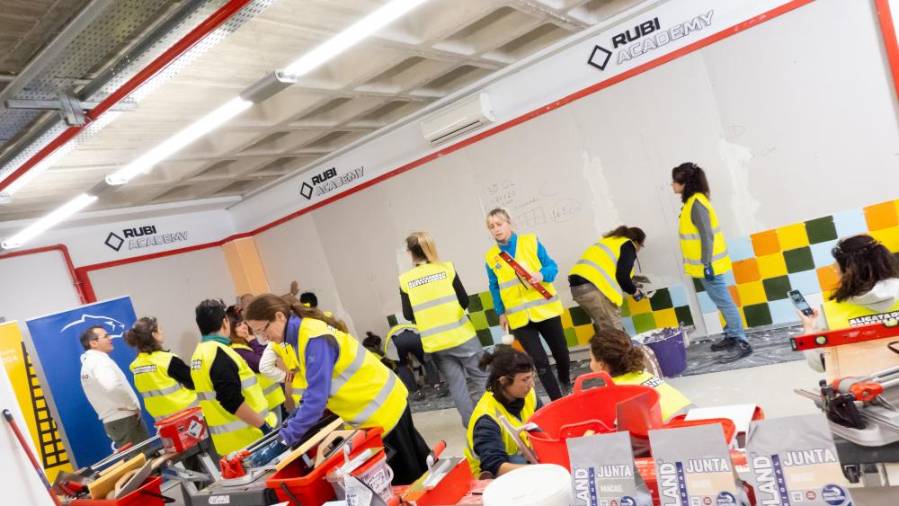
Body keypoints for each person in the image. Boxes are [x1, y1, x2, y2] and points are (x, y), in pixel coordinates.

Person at [245, 294, 430, 485]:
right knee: (420, 465)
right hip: (384, 402)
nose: (264, 338)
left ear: (280, 316)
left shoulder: (313, 339)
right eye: (258, 334)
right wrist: (288, 426)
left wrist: (284, 440)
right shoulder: (300, 335)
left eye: (263, 330)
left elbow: (316, 400)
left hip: (380, 409)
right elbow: (313, 391)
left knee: (407, 481)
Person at [400, 231, 488, 426]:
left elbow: (408, 314)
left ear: (409, 253)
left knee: (457, 385)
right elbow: (464, 301)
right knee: (482, 378)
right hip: (462, 336)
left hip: (436, 344)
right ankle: (492, 420)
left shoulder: (405, 279)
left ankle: (473, 427)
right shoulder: (446, 268)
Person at [484, 207, 571, 400]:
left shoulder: (530, 241)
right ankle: (558, 401)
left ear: (509, 223)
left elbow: (552, 267)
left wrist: (541, 275)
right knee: (539, 362)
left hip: (545, 310)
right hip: (519, 318)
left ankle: (565, 380)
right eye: (491, 227)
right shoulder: (491, 257)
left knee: (562, 354)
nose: (496, 229)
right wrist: (501, 312)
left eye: (499, 224)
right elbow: (494, 287)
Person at [671, 162, 751, 363]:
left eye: (674, 181)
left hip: (709, 265)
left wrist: (706, 263)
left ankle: (741, 341)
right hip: (706, 265)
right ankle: (732, 335)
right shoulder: (693, 202)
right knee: (721, 301)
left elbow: (707, 236)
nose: (672, 185)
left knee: (724, 301)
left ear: (684, 183)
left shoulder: (696, 203)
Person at [798, 234, 899, 371]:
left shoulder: (831, 311)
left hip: (865, 389)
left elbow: (820, 364)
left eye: (837, 264)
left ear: (847, 270)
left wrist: (809, 328)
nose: (834, 268)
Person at [191, 299, 272, 456]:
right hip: (250, 440)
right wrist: (264, 426)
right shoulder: (219, 353)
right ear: (225, 322)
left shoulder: (198, 355)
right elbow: (232, 401)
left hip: (229, 444)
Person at [465, 346, 541, 478]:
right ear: (504, 381)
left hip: (524, 459)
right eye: (525, 380)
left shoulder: (528, 394)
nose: (532, 384)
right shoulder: (487, 418)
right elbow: (495, 466)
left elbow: (545, 428)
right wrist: (541, 471)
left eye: (531, 377)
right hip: (490, 480)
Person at [589, 328, 693, 421]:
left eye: (591, 359)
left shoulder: (613, 390)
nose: (591, 364)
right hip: (694, 414)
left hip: (676, 429)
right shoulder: (643, 373)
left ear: (601, 364)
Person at [80, 325, 149, 449]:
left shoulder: (89, 362)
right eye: (106, 336)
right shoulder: (99, 362)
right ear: (94, 343)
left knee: (138, 460)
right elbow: (113, 387)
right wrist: (132, 406)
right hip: (125, 419)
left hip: (115, 420)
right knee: (144, 460)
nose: (110, 338)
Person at [569, 226, 647, 332]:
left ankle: (614, 347)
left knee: (607, 329)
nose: (638, 250)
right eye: (641, 246)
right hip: (593, 288)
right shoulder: (627, 245)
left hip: (578, 289)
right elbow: (623, 277)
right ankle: (620, 348)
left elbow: (611, 272)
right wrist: (635, 291)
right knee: (614, 331)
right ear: (637, 242)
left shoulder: (608, 242)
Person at [125, 317, 197, 421]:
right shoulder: (167, 361)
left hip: (163, 421)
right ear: (154, 335)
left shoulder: (136, 366)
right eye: (160, 329)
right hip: (188, 416)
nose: (162, 331)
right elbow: (195, 381)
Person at [226, 305, 285, 424]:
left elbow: (270, 354)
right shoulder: (238, 349)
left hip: (273, 398)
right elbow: (262, 363)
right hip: (266, 402)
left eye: (243, 323)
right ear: (232, 331)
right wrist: (253, 341)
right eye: (238, 325)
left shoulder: (246, 344)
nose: (244, 327)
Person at [383, 324, 443, 400]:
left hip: (396, 342)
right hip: (416, 337)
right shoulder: (411, 326)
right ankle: (437, 386)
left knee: (402, 366)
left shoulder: (390, 334)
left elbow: (389, 353)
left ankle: (416, 392)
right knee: (426, 361)